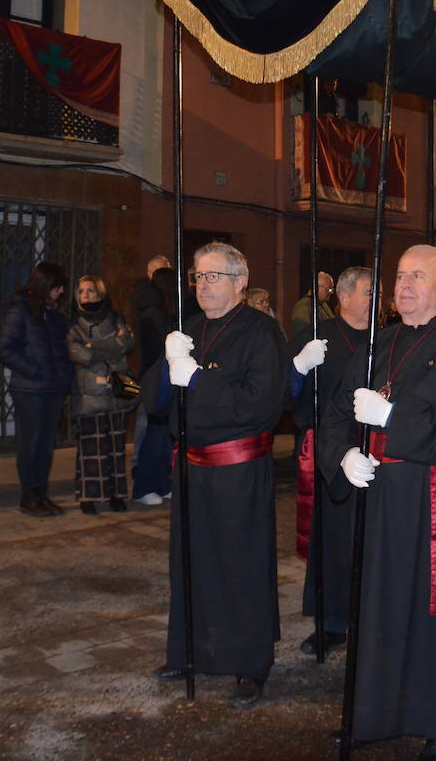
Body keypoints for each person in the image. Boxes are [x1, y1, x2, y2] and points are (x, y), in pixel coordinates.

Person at [319, 244, 436, 759]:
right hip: (377, 500)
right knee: (376, 610)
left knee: (433, 612)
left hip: (433, 501)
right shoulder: (378, 344)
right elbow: (333, 413)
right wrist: (344, 455)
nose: (405, 285)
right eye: (399, 276)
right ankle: (371, 715)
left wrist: (393, 421)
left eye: (418, 276)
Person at [148, 242, 286, 708]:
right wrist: (169, 370)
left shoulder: (261, 332)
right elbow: (154, 404)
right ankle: (190, 651)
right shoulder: (188, 330)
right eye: (197, 277)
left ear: (239, 283)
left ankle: (250, 664)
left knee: (239, 567)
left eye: (213, 276)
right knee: (191, 563)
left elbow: (261, 404)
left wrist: (197, 382)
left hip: (237, 469)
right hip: (191, 469)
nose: (203, 285)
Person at [286, 266, 372, 656]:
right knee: (332, 542)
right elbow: (286, 395)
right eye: (370, 292)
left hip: (373, 453)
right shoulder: (317, 338)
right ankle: (332, 622)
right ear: (344, 296)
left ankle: (370, 618)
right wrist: (299, 369)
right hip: (331, 452)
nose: (377, 301)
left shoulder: (383, 340)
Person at [0, 262, 72, 518]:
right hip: (30, 389)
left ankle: (41, 492)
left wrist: (64, 378)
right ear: (45, 284)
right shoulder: (21, 312)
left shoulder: (55, 315)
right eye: (57, 287)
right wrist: (34, 370)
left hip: (52, 388)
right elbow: (5, 348)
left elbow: (61, 351)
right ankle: (28, 495)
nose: (61, 292)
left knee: (46, 444)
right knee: (31, 443)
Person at [67, 275, 136, 514]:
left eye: (90, 290)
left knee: (116, 447)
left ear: (100, 293)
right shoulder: (73, 324)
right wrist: (109, 347)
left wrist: (93, 347)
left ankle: (117, 494)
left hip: (117, 391)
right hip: (88, 393)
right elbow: (77, 354)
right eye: (81, 291)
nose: (85, 295)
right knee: (90, 449)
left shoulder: (116, 317)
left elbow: (126, 343)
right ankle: (88, 497)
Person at [132, 266, 179, 505]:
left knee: (162, 436)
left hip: (159, 377)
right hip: (156, 378)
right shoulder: (155, 313)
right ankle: (144, 486)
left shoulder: (158, 311)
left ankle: (160, 482)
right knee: (153, 435)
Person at [290, 271, 334, 340]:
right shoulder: (303, 308)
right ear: (317, 287)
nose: (331, 292)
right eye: (329, 289)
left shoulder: (324, 304)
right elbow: (302, 337)